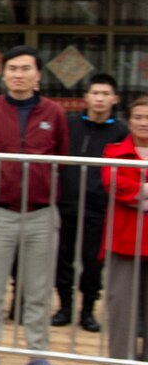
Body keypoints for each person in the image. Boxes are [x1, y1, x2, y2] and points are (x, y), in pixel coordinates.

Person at [0, 45, 69, 365]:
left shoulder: (54, 113)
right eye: (12, 68)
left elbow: (63, 156)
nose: (19, 74)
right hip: (0, 211)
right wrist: (2, 181)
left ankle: (38, 354)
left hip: (41, 213)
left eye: (26, 69)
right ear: (4, 73)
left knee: (38, 291)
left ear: (38, 75)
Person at [54, 73, 126, 331]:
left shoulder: (121, 131)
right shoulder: (69, 124)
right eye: (95, 93)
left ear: (114, 99)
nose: (99, 98)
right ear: (85, 98)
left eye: (105, 94)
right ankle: (64, 307)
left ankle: (87, 311)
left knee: (92, 262)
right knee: (63, 258)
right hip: (67, 204)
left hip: (100, 209)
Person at [100, 96, 148, 365]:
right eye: (139, 116)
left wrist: (139, 191)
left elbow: (132, 190)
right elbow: (117, 185)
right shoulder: (115, 151)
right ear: (128, 120)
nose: (144, 122)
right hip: (125, 240)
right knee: (122, 308)